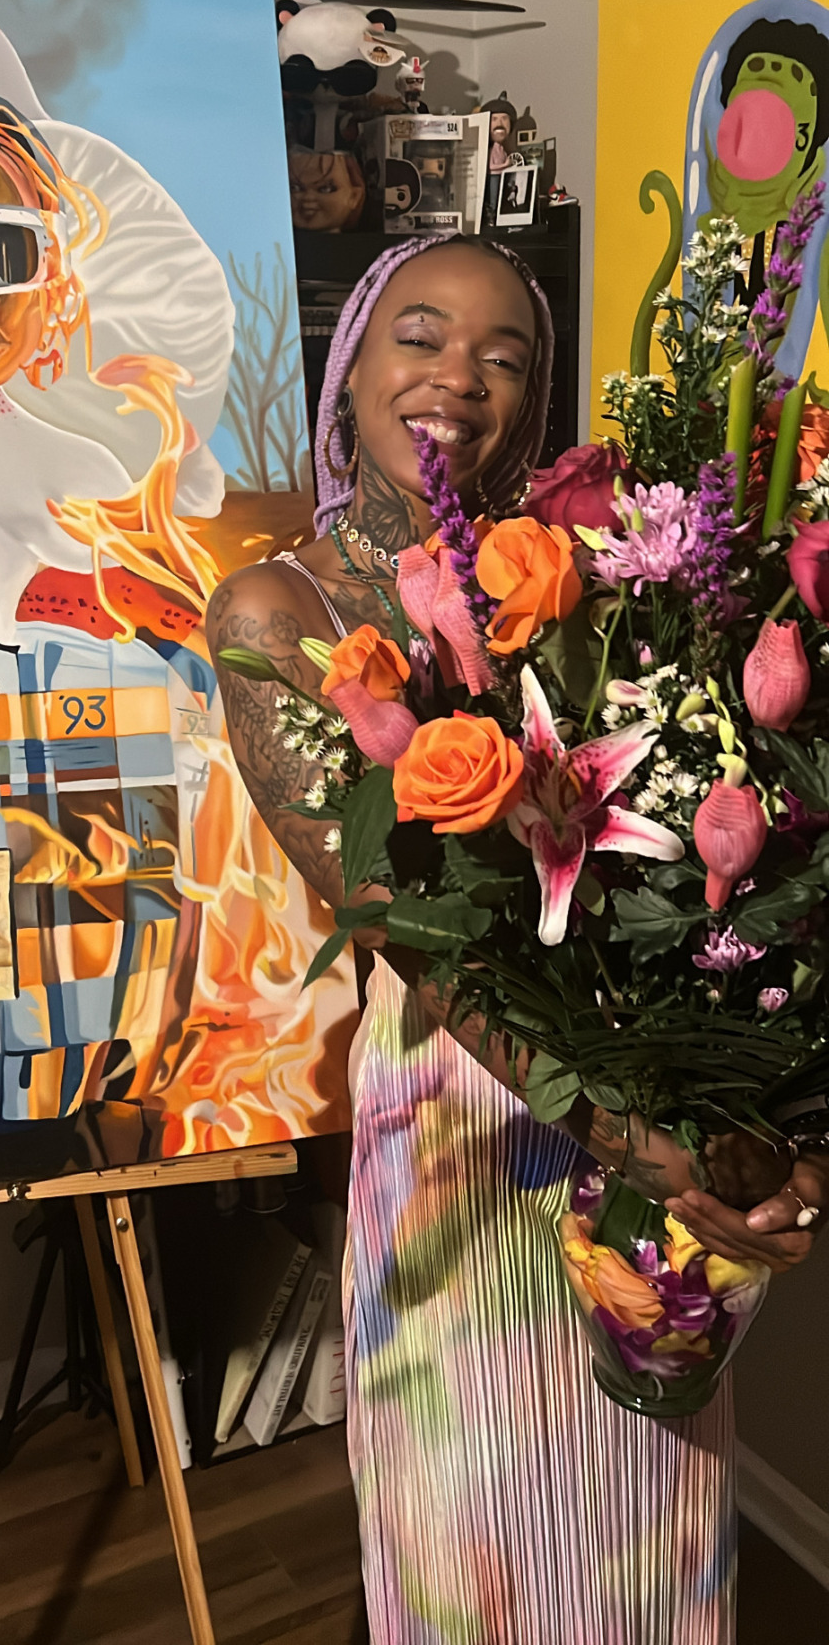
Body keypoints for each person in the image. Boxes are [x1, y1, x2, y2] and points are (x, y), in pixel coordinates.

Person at [208, 231, 829, 1645]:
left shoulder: (589, 585)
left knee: (649, 1535)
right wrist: (639, 1137)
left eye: (505, 358)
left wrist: (767, 1127)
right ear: (350, 365)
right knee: (468, 1545)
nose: (458, 380)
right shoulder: (273, 609)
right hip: (463, 1128)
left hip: (649, 1105)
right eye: (420, 336)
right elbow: (411, 935)